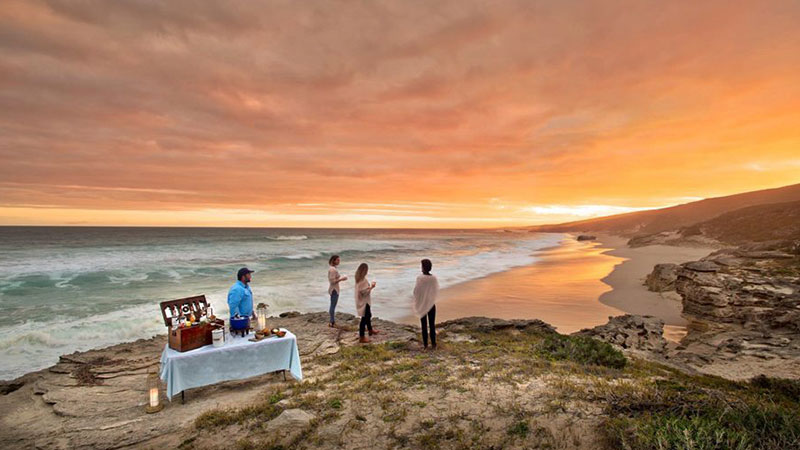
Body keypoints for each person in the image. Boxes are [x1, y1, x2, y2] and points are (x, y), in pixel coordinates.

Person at [413, 259, 439, 349]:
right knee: (432, 325)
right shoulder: (434, 278)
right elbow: (435, 291)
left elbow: (416, 291)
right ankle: (434, 344)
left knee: (424, 325)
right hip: (431, 304)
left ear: (423, 267)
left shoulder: (420, 278)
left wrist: (418, 300)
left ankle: (425, 345)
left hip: (422, 304)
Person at [354, 263, 379, 343]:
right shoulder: (363, 281)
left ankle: (370, 330)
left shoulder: (358, 279)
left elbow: (362, 291)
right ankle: (362, 337)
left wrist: (369, 287)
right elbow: (365, 293)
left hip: (361, 300)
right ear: (364, 271)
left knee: (368, 315)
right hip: (364, 302)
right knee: (364, 318)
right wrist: (372, 287)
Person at [327, 255, 348, 328]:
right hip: (334, 290)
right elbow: (332, 281)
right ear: (334, 260)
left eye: (339, 260)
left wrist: (341, 278)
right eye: (338, 260)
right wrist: (342, 279)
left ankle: (332, 321)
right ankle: (332, 322)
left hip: (334, 289)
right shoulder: (333, 269)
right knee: (333, 306)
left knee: (333, 305)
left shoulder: (333, 269)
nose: (339, 261)